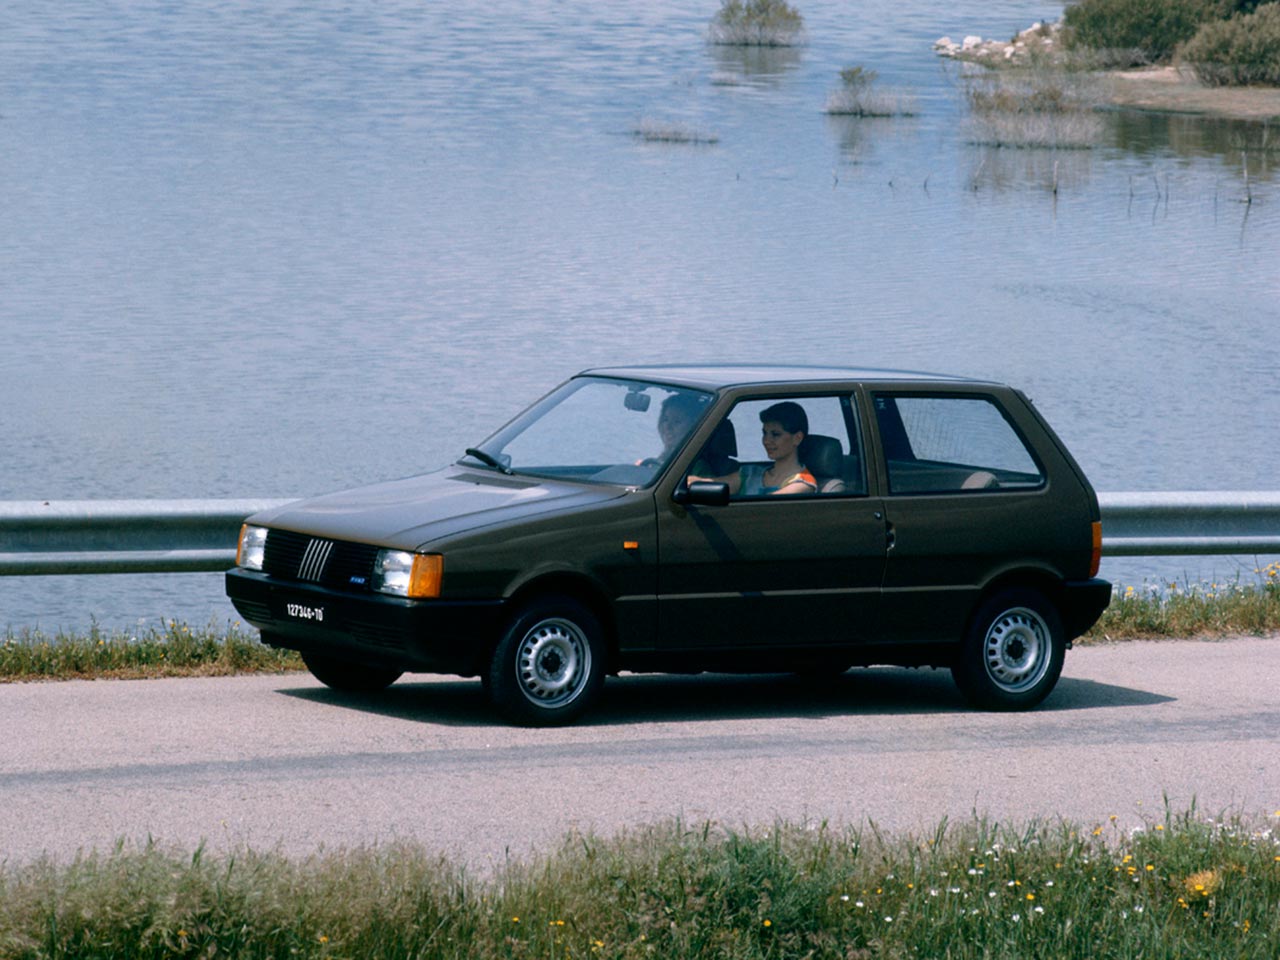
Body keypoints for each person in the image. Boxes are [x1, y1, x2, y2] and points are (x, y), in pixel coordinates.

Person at [693, 401, 817, 496]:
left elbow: (762, 509)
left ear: (797, 438)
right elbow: (711, 483)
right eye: (764, 433)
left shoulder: (803, 484)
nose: (766, 440)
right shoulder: (750, 474)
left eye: (775, 434)